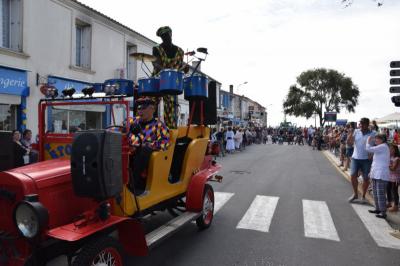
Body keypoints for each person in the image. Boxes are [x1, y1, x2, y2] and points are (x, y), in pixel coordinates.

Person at [128, 97, 170, 195]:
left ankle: (132, 185)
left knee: (144, 150)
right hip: (128, 151)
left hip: (145, 157)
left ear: (152, 109)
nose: (140, 111)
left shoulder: (159, 125)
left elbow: (164, 144)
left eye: (143, 108)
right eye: (138, 108)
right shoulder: (132, 121)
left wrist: (139, 146)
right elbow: (120, 131)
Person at [152, 26, 184, 129]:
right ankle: (151, 128)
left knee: (171, 109)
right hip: (157, 80)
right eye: (163, 36)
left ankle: (170, 132)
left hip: (171, 84)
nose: (165, 38)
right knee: (150, 104)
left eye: (167, 35)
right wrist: (166, 71)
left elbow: (179, 67)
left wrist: (184, 69)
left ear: (171, 34)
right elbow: (156, 64)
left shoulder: (180, 51)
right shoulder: (157, 48)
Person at [347, 118, 376, 203]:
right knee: (352, 176)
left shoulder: (373, 133)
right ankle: (355, 194)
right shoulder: (356, 132)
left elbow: (378, 144)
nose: (361, 125)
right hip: (355, 158)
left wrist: (373, 152)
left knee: (366, 178)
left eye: (363, 124)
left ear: (367, 124)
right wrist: (350, 134)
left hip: (366, 160)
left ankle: (363, 196)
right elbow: (349, 143)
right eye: (360, 124)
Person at [366, 134, 390, 218]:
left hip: (381, 174)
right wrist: (371, 172)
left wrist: (368, 141)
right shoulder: (381, 147)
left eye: (377, 139)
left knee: (380, 194)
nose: (375, 141)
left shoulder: (383, 146)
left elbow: (368, 149)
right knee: (375, 193)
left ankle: (383, 212)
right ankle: (378, 209)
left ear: (382, 140)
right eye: (375, 139)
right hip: (376, 173)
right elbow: (375, 162)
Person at [387, 143, 400, 212]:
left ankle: (396, 206)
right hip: (389, 176)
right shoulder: (390, 157)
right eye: (389, 149)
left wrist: (387, 165)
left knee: (394, 191)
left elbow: (393, 168)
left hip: (395, 177)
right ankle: (389, 202)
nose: (390, 150)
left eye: (391, 149)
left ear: (395, 150)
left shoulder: (397, 158)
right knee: (388, 189)